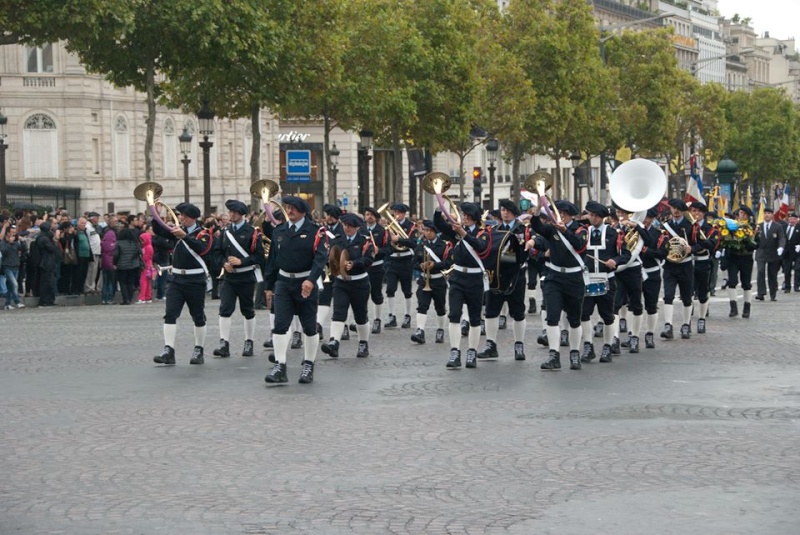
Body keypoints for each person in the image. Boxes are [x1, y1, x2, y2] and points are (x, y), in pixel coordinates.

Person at [264, 196, 328, 384]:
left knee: (309, 327)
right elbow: (273, 261)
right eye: (288, 208)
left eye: (293, 208)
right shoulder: (279, 231)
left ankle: (308, 364)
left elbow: (320, 258)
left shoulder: (316, 232)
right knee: (280, 325)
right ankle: (280, 366)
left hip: (305, 283)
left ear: (303, 211)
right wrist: (269, 286)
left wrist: (311, 280)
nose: (289, 211)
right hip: (284, 283)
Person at [527, 199, 587, 371]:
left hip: (574, 278)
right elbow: (537, 227)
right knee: (552, 317)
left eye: (562, 213)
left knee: (574, 320)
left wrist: (565, 231)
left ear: (569, 215)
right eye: (557, 212)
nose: (559, 215)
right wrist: (538, 208)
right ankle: (554, 355)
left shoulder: (581, 229)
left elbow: (579, 245)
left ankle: (574, 353)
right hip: (554, 277)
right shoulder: (552, 228)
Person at [152, 203, 215, 366]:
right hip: (176, 279)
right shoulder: (177, 229)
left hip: (195, 280)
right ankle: (168, 350)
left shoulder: (204, 233)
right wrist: (155, 216)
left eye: (185, 216)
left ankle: (199, 349)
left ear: (193, 218)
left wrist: (185, 237)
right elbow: (159, 231)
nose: (181, 218)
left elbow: (202, 249)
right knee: (170, 314)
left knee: (198, 316)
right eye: (180, 215)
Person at [434, 202, 490, 369]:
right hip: (457, 277)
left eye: (467, 215)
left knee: (474, 318)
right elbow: (439, 225)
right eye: (463, 214)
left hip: (475, 279)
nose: (464, 217)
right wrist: (439, 208)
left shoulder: (483, 233)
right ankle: (455, 351)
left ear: (474, 217)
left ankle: (472, 351)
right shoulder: (455, 231)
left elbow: (480, 246)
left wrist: (463, 233)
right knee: (455, 315)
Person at [478, 200, 529, 361]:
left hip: (516, 275)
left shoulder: (523, 230)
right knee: (491, 311)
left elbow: (526, 251)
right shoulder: (493, 230)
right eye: (502, 210)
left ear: (514, 212)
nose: (504, 213)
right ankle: (490, 345)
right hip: (496, 275)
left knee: (518, 312)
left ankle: (519, 345)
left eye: (508, 210)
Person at [212, 200, 264, 359]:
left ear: (242, 214)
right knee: (225, 309)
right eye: (230, 212)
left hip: (246, 276)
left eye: (234, 212)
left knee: (247, 310)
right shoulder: (225, 231)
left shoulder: (252, 232)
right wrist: (224, 263)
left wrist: (242, 261)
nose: (231, 214)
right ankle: (224, 343)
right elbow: (217, 253)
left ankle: (249, 341)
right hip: (229, 277)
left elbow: (259, 257)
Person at [320, 213, 376, 359]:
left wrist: (355, 263)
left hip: (359, 282)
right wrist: (331, 262)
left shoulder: (365, 241)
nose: (346, 228)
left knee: (360, 315)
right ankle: (334, 343)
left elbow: (369, 259)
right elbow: (330, 256)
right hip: (341, 282)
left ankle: (363, 343)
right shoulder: (338, 240)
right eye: (344, 225)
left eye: (349, 226)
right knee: (338, 312)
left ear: (357, 227)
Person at [578, 202, 625, 365]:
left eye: (596, 216)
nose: (593, 218)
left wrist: (615, 260)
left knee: (607, 315)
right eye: (590, 215)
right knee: (584, 314)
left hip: (607, 278)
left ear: (602, 217)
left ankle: (607, 346)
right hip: (587, 279)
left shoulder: (613, 233)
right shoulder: (583, 233)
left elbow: (625, 253)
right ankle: (588, 346)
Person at [660, 199, 699, 341]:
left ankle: (685, 325)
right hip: (670, 265)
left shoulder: (691, 226)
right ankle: (668, 325)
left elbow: (703, 243)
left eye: (678, 209)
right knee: (668, 296)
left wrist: (692, 249)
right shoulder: (665, 226)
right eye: (673, 208)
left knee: (686, 297)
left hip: (685, 265)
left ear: (682, 211)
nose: (675, 211)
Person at [410, 219, 451, 345]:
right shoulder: (421, 245)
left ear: (435, 232)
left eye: (429, 231)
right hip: (424, 280)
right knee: (422, 305)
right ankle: (420, 331)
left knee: (440, 307)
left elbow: (449, 263)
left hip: (438, 280)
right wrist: (420, 266)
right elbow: (413, 262)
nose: (426, 233)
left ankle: (440, 330)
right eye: (425, 230)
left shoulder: (444, 245)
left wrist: (435, 265)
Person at [638, 208, 668, 348]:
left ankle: (650, 334)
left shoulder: (658, 234)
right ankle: (634, 335)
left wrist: (647, 251)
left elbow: (663, 253)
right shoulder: (633, 231)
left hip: (652, 272)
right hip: (635, 272)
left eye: (647, 217)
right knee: (634, 305)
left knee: (651, 305)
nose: (645, 219)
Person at [316, 204, 346, 341]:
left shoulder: (344, 229)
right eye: (327, 215)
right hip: (326, 268)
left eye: (331, 216)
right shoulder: (321, 230)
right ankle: (319, 326)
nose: (328, 218)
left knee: (341, 299)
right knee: (324, 298)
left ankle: (343, 326)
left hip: (340, 268)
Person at [688, 202, 719, 333]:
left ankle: (701, 319)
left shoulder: (711, 228)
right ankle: (687, 320)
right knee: (688, 292)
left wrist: (693, 248)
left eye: (699, 211)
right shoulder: (687, 227)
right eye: (694, 211)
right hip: (688, 262)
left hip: (703, 262)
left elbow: (711, 243)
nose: (696, 214)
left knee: (703, 292)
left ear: (703, 213)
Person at [722, 206, 758, 318]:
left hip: (746, 257)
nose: (741, 215)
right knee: (732, 281)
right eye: (740, 213)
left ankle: (747, 308)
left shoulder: (752, 227)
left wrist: (749, 242)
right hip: (733, 257)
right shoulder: (731, 226)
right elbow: (725, 239)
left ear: (748, 216)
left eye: (744, 213)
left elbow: (757, 243)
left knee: (746, 283)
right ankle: (733, 307)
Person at [384, 203, 416, 329]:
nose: (396, 214)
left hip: (406, 260)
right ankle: (392, 316)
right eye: (395, 212)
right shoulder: (389, 227)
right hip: (392, 261)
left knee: (407, 290)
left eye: (399, 212)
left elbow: (413, 243)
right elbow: (386, 242)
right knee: (390, 289)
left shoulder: (411, 226)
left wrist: (399, 240)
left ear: (404, 214)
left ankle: (407, 316)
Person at [363, 207, 389, 333]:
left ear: (376, 217)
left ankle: (377, 320)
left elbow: (389, 249)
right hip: (362, 267)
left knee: (376, 293)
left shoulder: (382, 231)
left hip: (376, 266)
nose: (369, 217)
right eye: (367, 214)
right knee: (362, 294)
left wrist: (380, 250)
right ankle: (363, 319)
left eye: (372, 215)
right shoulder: (361, 230)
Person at [755, 207, 786, 302]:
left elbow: (782, 238)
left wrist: (781, 247)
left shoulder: (777, 226)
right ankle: (761, 293)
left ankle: (773, 293)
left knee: (772, 274)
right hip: (761, 252)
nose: (767, 215)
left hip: (773, 252)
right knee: (760, 272)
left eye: (769, 213)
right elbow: (754, 239)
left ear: (772, 215)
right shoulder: (758, 226)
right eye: (765, 213)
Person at [36, 221, 61, 306]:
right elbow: (52, 249)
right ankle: (45, 300)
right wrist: (55, 238)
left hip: (48, 262)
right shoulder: (43, 238)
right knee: (47, 282)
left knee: (50, 281)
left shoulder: (44, 237)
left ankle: (50, 299)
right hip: (46, 262)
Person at [114, 228, 141, 305]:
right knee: (130, 282)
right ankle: (130, 298)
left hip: (122, 265)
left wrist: (115, 263)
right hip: (134, 265)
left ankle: (125, 299)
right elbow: (139, 252)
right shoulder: (135, 243)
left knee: (123, 282)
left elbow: (116, 255)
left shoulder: (119, 243)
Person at [1, 225, 26, 309]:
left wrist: (22, 241)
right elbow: (4, 251)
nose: (14, 235)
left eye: (15, 233)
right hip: (7, 266)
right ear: (8, 233)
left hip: (16, 265)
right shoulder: (3, 242)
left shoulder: (16, 242)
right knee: (14, 284)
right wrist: (8, 243)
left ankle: (7, 304)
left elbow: (23, 249)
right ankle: (17, 301)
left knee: (10, 285)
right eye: (12, 233)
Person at [100, 221, 118, 304]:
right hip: (111, 264)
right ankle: (110, 298)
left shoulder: (103, 243)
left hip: (104, 263)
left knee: (105, 282)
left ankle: (104, 298)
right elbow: (115, 254)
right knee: (111, 282)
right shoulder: (114, 245)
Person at [782, 212, 800, 292]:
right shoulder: (784, 227)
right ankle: (787, 286)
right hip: (787, 252)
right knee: (787, 270)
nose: (792, 220)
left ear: (797, 220)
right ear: (788, 219)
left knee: (797, 269)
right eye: (791, 218)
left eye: (794, 219)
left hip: (797, 252)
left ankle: (797, 286)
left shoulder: (799, 227)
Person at [137, 228, 155, 303]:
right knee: (148, 282)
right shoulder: (148, 246)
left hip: (145, 265)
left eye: (142, 240)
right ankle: (148, 296)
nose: (141, 242)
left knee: (143, 282)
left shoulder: (147, 247)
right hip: (149, 265)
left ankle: (142, 297)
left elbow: (146, 257)